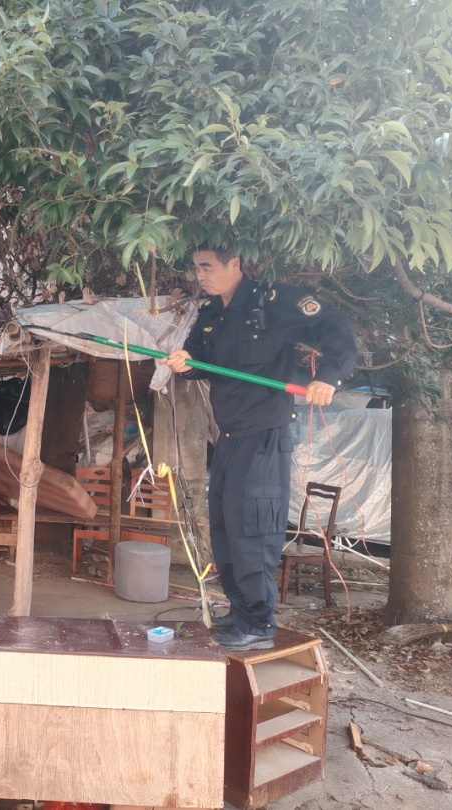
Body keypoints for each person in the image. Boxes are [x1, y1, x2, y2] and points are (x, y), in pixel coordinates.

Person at [165, 247, 357, 651]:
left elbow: (334, 327)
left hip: (264, 437)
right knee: (225, 528)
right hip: (228, 437)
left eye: (207, 267)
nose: (200, 275)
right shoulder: (212, 313)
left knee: (253, 529)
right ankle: (240, 613)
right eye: (196, 267)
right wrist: (187, 361)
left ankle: (258, 623)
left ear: (234, 263)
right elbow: (199, 356)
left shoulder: (274, 302)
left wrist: (329, 377)